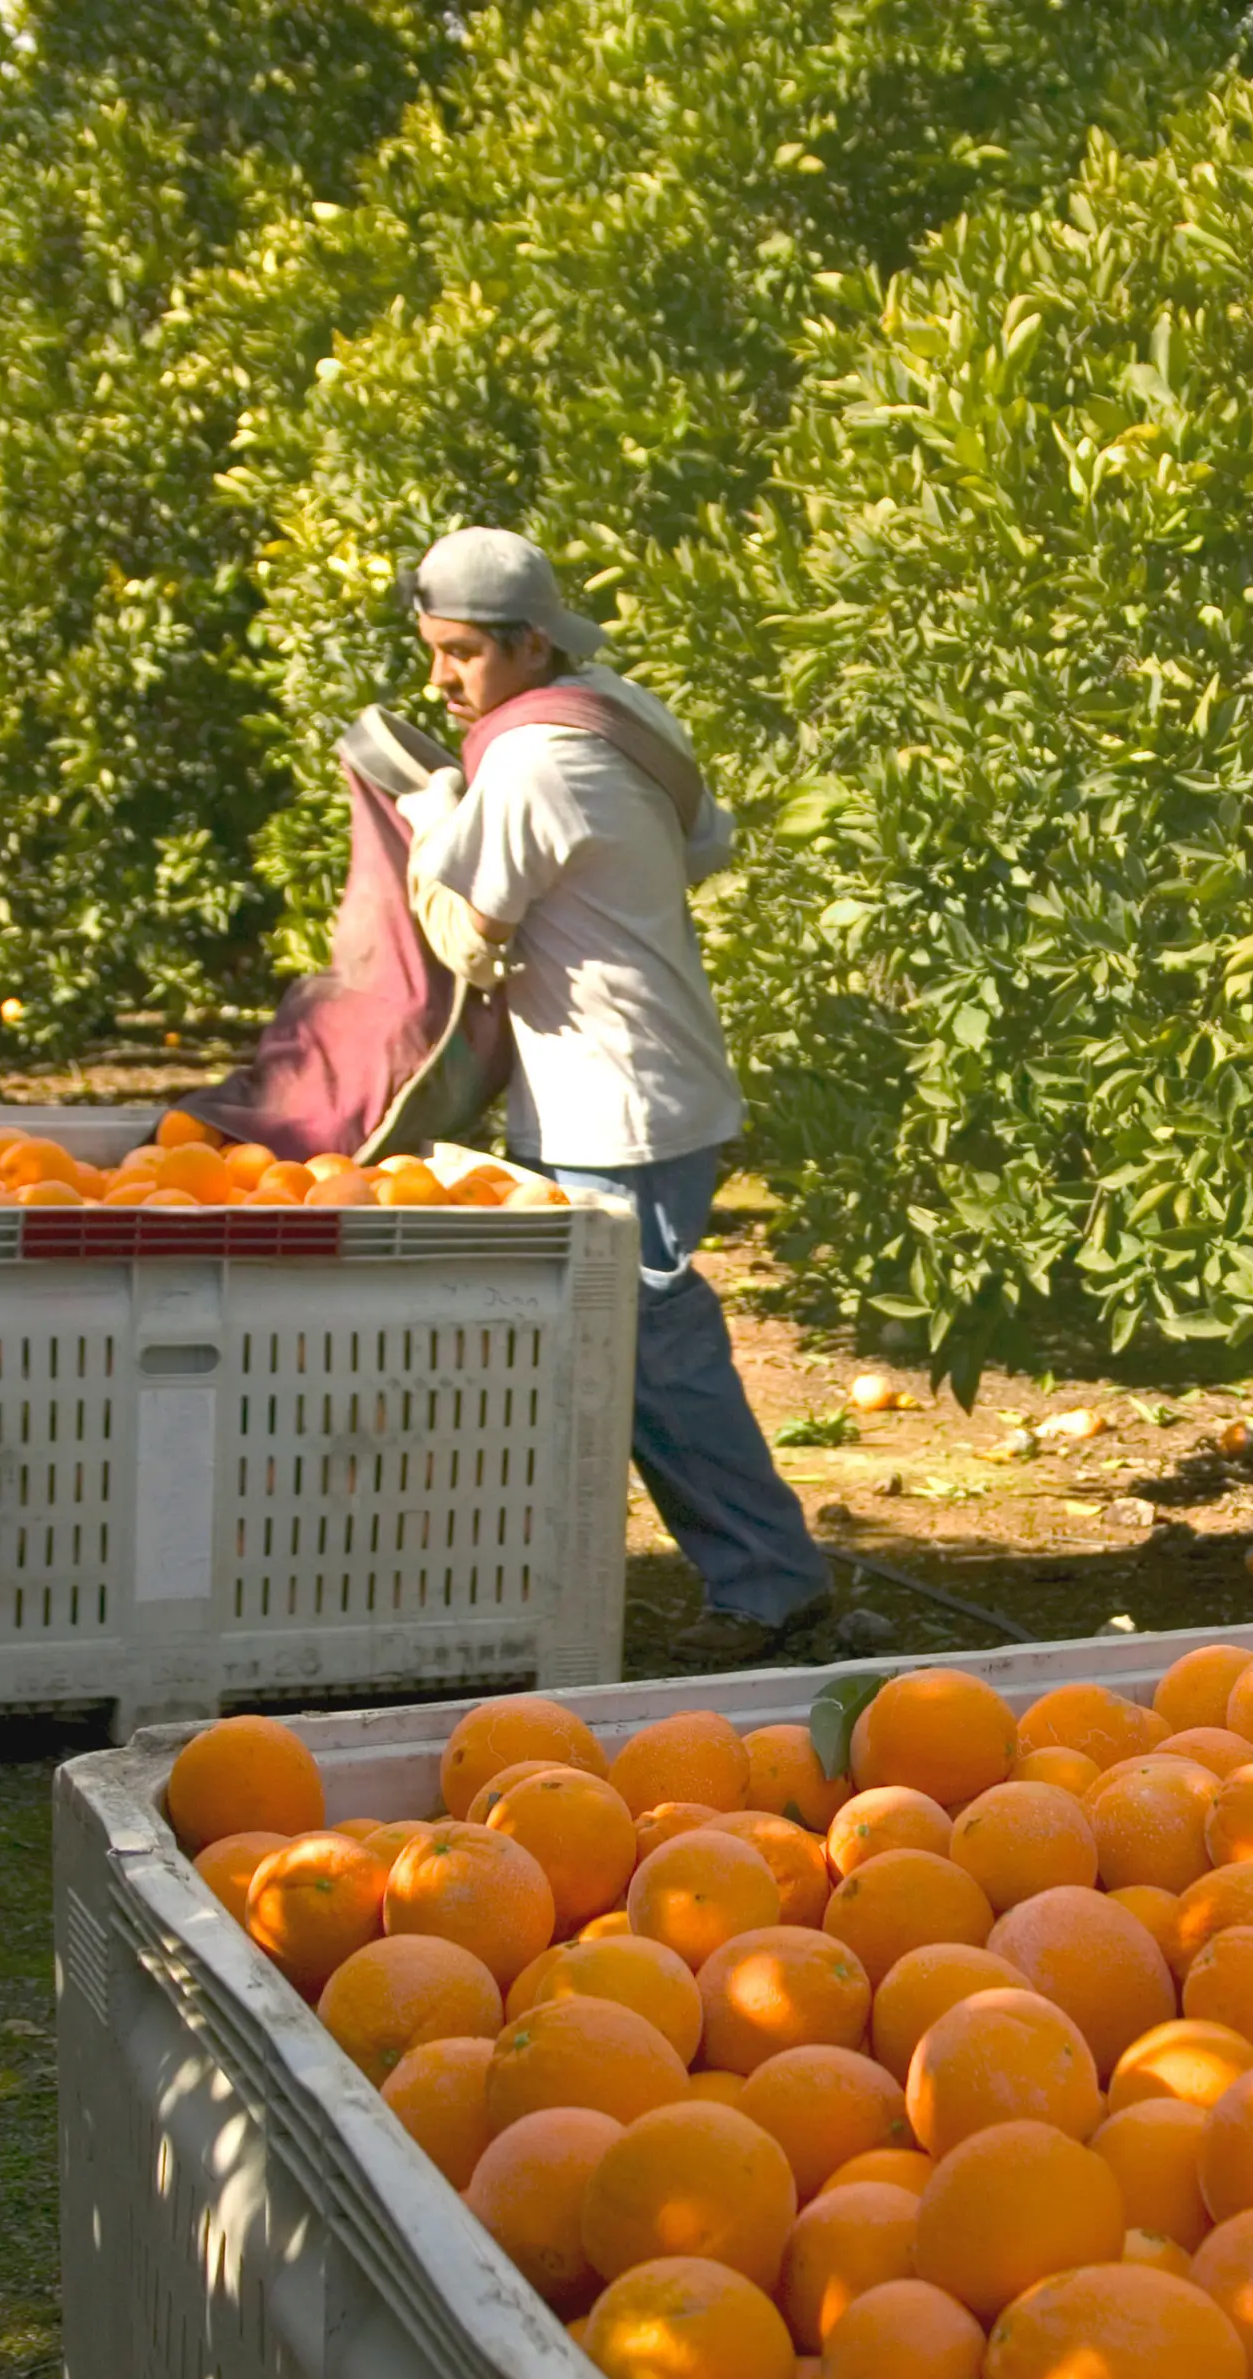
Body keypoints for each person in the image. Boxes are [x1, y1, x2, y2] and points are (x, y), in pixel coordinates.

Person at [393, 527, 833, 1665]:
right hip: (654, 1084)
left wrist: (430, 815)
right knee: (614, 1353)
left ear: (529, 640)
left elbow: (464, 933)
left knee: (654, 1360)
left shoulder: (532, 760)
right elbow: (704, 846)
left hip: (613, 1108)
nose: (441, 679)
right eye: (431, 652)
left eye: (460, 655)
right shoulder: (622, 711)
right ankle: (571, 1591)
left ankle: (772, 1585)